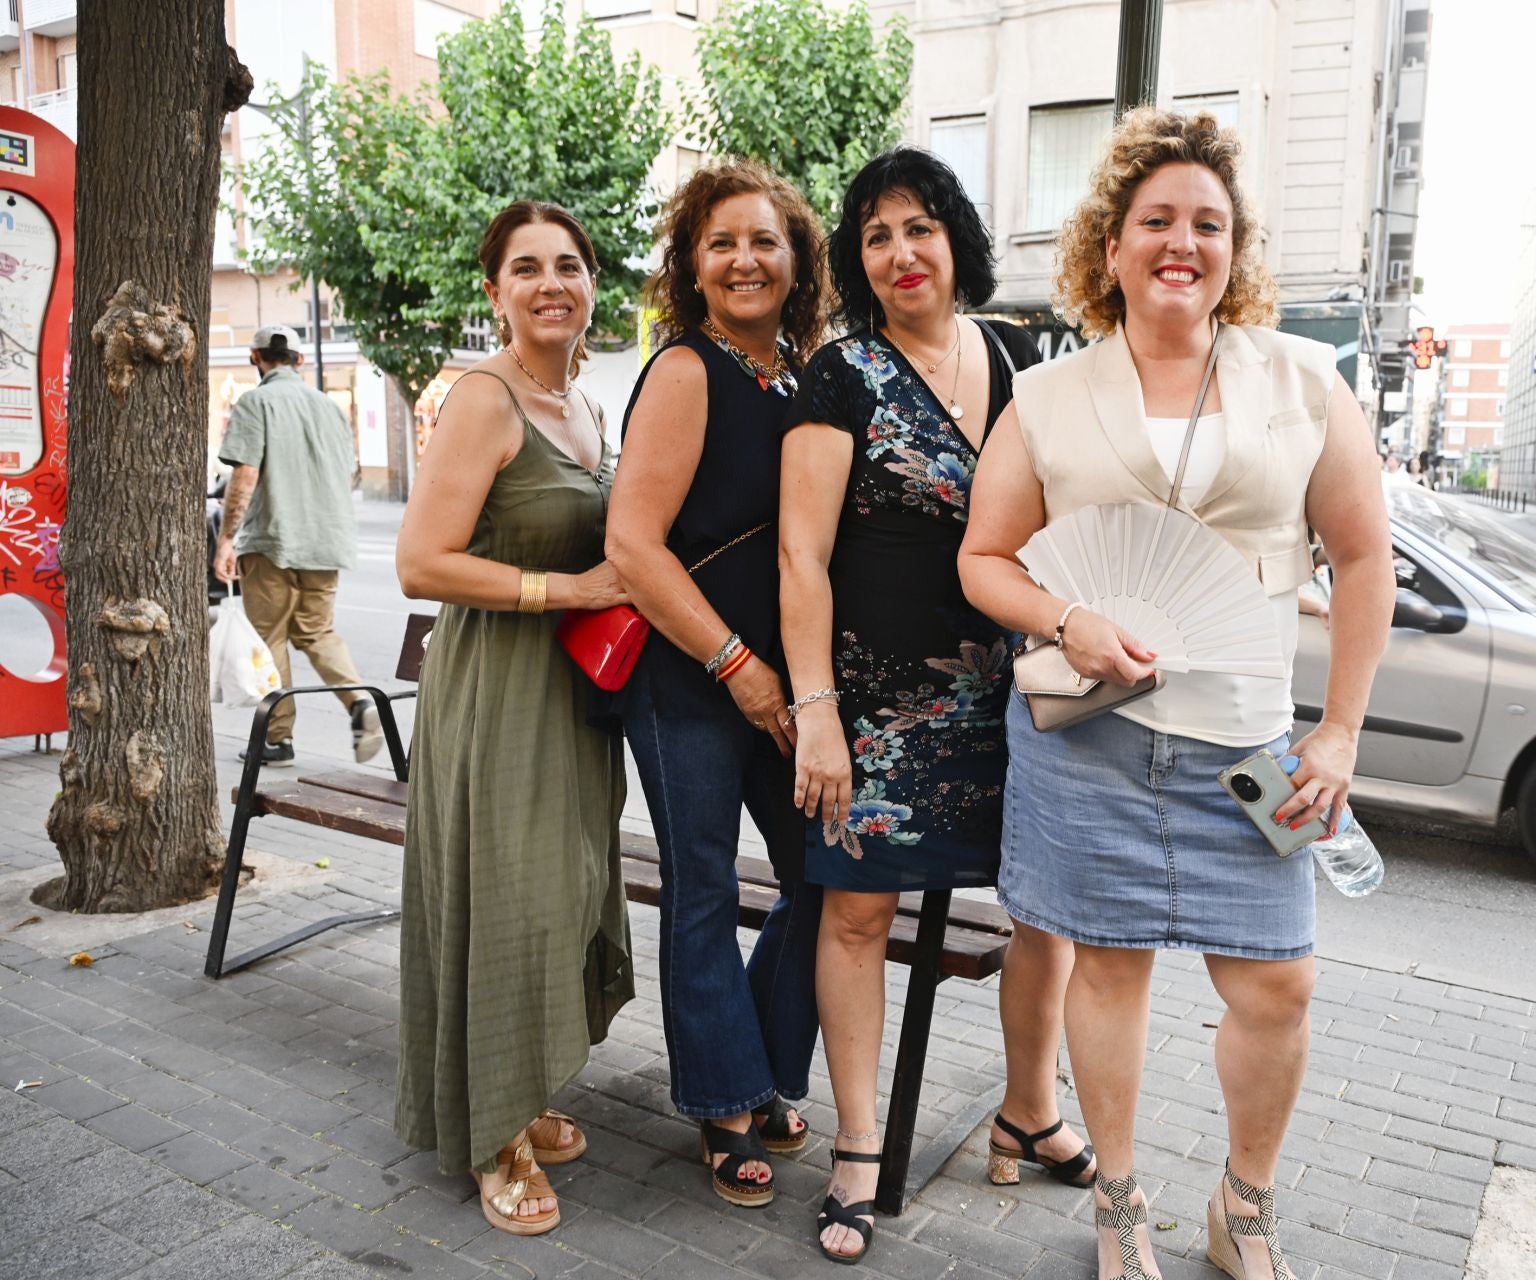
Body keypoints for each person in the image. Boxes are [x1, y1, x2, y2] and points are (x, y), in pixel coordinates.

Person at [956, 108, 1394, 1280]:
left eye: (1209, 222)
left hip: (1247, 747)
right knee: (1108, 970)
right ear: (1111, 246)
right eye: (1157, 219)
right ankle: (1119, 1200)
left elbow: (1364, 559)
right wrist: (1070, 619)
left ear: (1234, 249)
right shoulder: (1048, 394)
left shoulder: (1304, 380)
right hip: (1088, 741)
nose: (1182, 242)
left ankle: (1242, 1205)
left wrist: (1340, 732)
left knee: (1280, 984)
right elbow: (984, 559)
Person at [780, 148, 1093, 1265]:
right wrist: (818, 711)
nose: (901, 252)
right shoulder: (841, 373)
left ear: (956, 238)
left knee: (1046, 911)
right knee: (858, 917)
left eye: (919, 227)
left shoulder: (1013, 361)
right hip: (877, 709)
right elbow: (801, 557)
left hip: (1012, 702)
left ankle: (1030, 1108)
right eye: (876, 235)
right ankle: (859, 1145)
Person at [393, 201, 633, 1236]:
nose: (551, 284)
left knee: (564, 892)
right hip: (497, 688)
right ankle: (494, 1132)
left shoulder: (586, 404)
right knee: (511, 903)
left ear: (592, 285)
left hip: (575, 695)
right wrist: (566, 590)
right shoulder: (483, 399)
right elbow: (419, 563)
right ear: (494, 292)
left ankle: (521, 1082)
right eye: (526, 268)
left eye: (568, 265)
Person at [602, 162, 827, 1209]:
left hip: (789, 681)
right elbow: (633, 545)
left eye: (764, 240)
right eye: (721, 242)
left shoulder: (804, 375)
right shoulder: (686, 370)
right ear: (692, 266)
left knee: (822, 876)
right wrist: (737, 665)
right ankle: (724, 1101)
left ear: (797, 260)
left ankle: (757, 1059)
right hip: (690, 676)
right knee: (704, 885)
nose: (744, 259)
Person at [214, 325, 378, 766]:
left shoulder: (256, 402)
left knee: (270, 636)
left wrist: (226, 539)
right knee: (317, 631)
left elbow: (245, 474)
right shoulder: (329, 408)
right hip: (327, 538)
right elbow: (348, 473)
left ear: (255, 357)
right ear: (300, 360)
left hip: (272, 539)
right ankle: (360, 701)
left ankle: (277, 738)